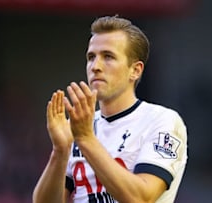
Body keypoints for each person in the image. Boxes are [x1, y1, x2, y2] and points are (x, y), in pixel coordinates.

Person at [32, 15, 187, 203]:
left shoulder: (162, 121)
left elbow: (141, 198)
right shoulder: (80, 126)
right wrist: (60, 151)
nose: (95, 66)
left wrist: (86, 139)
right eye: (91, 57)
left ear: (135, 70)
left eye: (108, 57)